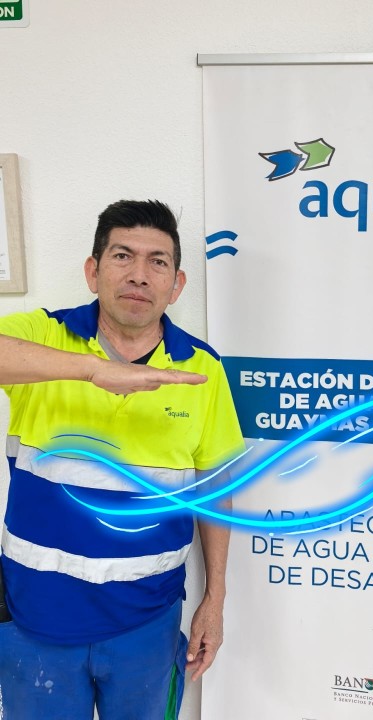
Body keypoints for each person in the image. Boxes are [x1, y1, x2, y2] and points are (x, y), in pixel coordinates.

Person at [0, 199, 243, 719]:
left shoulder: (201, 370)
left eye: (157, 261)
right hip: (34, 617)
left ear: (176, 285)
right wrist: (91, 370)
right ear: (93, 272)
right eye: (122, 256)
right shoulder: (45, 337)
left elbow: (215, 488)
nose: (139, 274)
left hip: (148, 622)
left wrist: (215, 597)